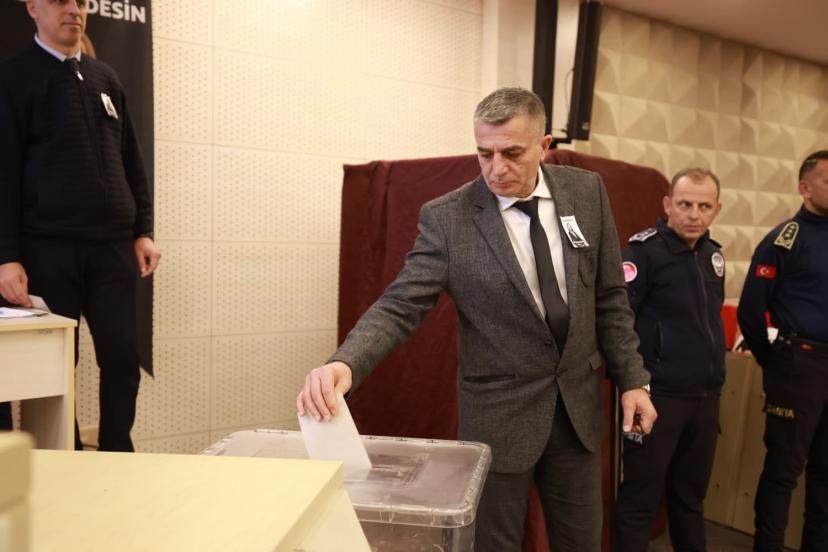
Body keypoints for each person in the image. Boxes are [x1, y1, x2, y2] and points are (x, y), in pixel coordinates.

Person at [296, 87, 656, 552]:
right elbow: (400, 304)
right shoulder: (449, 219)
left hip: (577, 413)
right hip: (498, 417)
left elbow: (609, 297)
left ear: (544, 146)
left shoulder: (585, 193)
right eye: (484, 153)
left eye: (512, 153)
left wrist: (633, 380)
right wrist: (345, 363)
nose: (496, 168)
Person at [0, 0, 160, 452]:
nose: (74, 9)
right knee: (55, 365)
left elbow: (131, 160)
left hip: (112, 249)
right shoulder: (13, 78)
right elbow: (3, 174)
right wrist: (7, 257)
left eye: (82, 1)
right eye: (60, 0)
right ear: (33, 7)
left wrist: (143, 230)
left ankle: (116, 452)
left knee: (122, 358)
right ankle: (63, 454)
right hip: (47, 249)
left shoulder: (106, 78)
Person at [613, 168, 725, 551]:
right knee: (640, 499)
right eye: (685, 204)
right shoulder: (643, 252)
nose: (694, 214)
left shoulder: (713, 255)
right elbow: (618, 322)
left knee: (690, 499)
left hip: (705, 398)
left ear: (717, 209)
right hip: (655, 398)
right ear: (667, 205)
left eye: (704, 206)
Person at [738, 150, 828, 552]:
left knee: (825, 474)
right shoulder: (784, 239)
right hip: (799, 365)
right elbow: (750, 311)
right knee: (783, 471)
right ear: (805, 188)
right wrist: (774, 362)